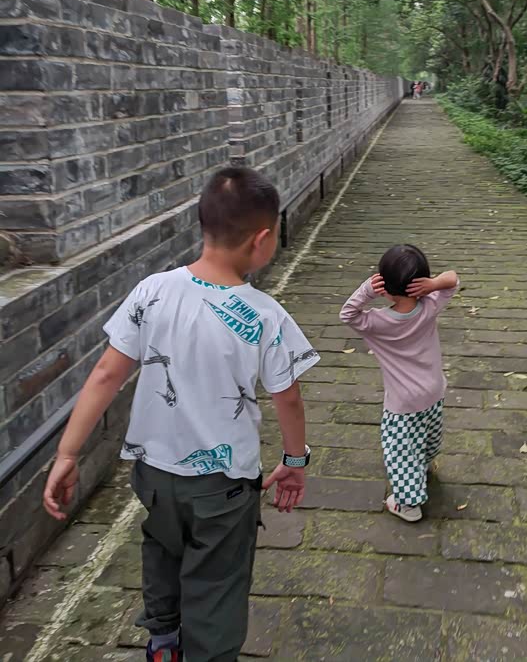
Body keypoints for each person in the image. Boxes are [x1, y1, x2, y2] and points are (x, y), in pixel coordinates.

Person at [43, 166, 319, 662]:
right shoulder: (265, 315)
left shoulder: (151, 290)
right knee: (217, 580)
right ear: (261, 240)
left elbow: (105, 375)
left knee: (163, 549)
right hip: (223, 486)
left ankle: (164, 641)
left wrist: (67, 453)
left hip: (154, 475)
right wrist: (294, 461)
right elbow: (289, 398)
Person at [339, 245, 458, 522]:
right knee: (428, 431)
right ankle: (423, 464)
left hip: (403, 402)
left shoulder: (377, 322)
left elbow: (348, 314)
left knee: (400, 450)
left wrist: (366, 290)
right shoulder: (430, 306)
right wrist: (433, 285)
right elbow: (453, 279)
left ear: (385, 287)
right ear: (421, 283)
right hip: (434, 389)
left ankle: (408, 505)